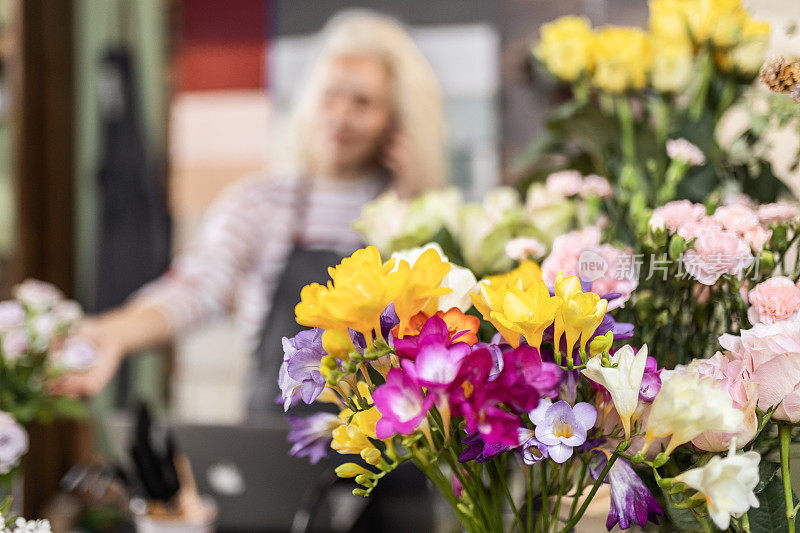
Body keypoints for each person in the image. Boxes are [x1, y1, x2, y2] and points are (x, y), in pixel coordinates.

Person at [51, 11, 448, 402]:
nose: (340, 115)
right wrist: (113, 333)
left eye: (362, 102)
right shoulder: (260, 202)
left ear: (398, 119)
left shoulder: (420, 213)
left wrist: (412, 201)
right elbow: (200, 283)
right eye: (329, 95)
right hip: (275, 434)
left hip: (394, 440)